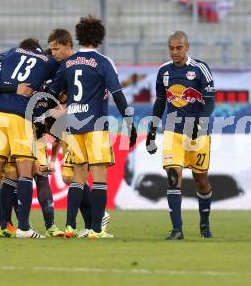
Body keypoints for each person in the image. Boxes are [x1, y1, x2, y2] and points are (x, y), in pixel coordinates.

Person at [48, 16, 136, 239]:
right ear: (99, 38)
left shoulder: (68, 63)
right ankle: (96, 230)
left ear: (77, 37)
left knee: (78, 178)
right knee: (98, 178)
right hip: (96, 124)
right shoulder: (103, 62)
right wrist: (129, 123)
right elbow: (118, 94)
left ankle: (69, 227)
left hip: (73, 125)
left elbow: (52, 92)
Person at [0, 38, 59, 238]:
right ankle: (24, 228)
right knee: (26, 172)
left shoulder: (10, 53)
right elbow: (61, 72)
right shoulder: (47, 60)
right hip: (20, 116)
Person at [146, 31, 215, 240]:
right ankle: (177, 230)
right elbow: (159, 103)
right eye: (171, 48)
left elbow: (210, 102)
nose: (174, 52)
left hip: (198, 134)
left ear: (187, 47)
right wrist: (151, 131)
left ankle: (204, 223)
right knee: (173, 177)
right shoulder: (164, 72)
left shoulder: (200, 69)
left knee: (201, 181)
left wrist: (198, 123)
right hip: (172, 131)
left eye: (179, 48)